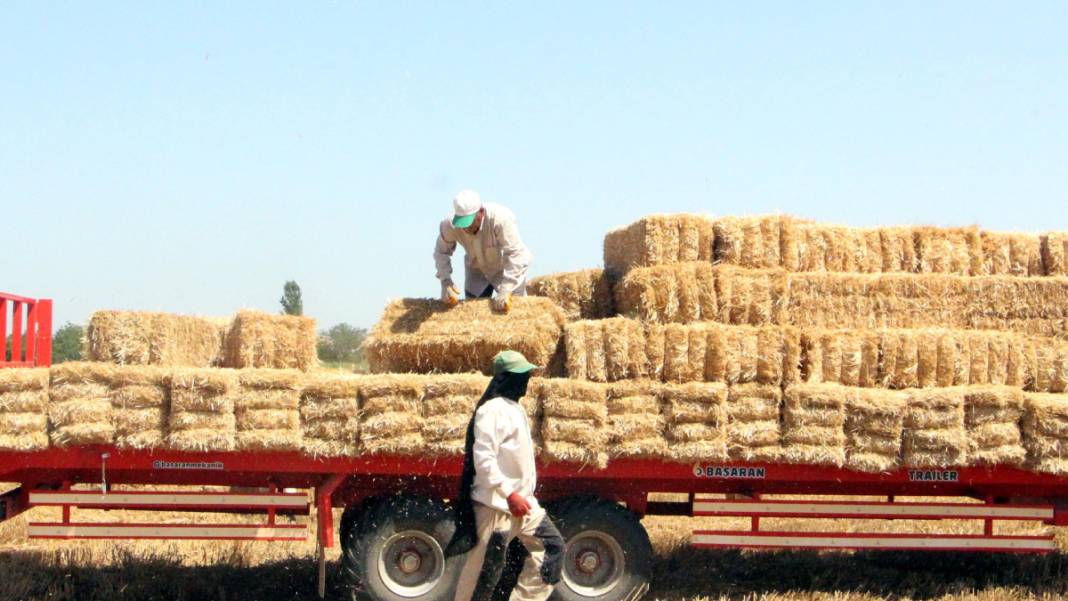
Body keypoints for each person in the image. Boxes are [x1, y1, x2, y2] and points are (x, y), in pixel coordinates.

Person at [446, 351, 564, 601]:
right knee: (483, 577)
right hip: (497, 507)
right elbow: (484, 460)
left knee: (553, 548)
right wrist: (509, 494)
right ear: (505, 378)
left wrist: (520, 497)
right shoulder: (491, 411)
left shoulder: (516, 408)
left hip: (525, 505)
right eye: (522, 376)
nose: (526, 381)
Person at [434, 190, 532, 312]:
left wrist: (506, 288)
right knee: (473, 312)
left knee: (513, 312)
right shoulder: (450, 225)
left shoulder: (500, 219)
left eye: (468, 222)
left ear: (481, 212)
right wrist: (445, 280)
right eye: (462, 223)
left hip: (508, 269)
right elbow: (441, 252)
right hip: (476, 270)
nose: (465, 228)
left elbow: (515, 254)